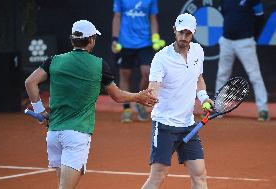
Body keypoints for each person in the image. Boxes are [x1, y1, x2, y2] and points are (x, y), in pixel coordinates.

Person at [25, 20, 157, 189]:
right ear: (92, 39)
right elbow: (118, 96)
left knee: (65, 184)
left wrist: (40, 111)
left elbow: (30, 82)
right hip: (77, 135)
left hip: (53, 135)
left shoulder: (54, 61)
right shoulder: (99, 65)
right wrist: (139, 97)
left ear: (72, 39)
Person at [141, 13, 213, 189]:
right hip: (165, 124)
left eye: (187, 33)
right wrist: (151, 96)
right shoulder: (161, 58)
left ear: (193, 33)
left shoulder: (198, 51)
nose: (183, 37)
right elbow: (154, 85)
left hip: (188, 125)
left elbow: (199, 78)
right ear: (174, 31)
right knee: (158, 175)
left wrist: (203, 98)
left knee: (200, 175)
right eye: (180, 32)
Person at [111, 0, 165, 123]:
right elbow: (117, 17)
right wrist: (115, 39)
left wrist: (155, 37)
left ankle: (140, 102)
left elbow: (153, 18)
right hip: (125, 43)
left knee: (147, 73)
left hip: (145, 43)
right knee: (126, 76)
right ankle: (127, 110)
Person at [216, 0, 270, 121]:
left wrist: (252, 36)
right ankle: (218, 109)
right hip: (226, 41)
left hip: (245, 42)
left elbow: (260, 18)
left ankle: (263, 110)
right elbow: (225, 14)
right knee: (222, 75)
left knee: (255, 76)